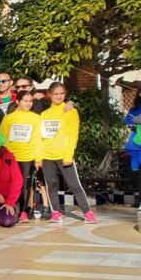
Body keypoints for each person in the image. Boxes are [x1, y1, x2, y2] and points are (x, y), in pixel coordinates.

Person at [39, 83, 96, 224]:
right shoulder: (44, 114)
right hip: (46, 155)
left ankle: (88, 213)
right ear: (50, 94)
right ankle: (56, 212)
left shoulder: (70, 111)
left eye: (62, 93)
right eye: (56, 93)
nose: (59, 96)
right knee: (51, 185)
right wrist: (38, 157)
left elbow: (73, 135)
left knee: (74, 184)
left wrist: (69, 155)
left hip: (64, 155)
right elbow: (40, 137)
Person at [0, 90, 44, 222]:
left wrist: (38, 158)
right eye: (25, 101)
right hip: (10, 157)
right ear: (18, 101)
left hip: (27, 157)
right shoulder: (8, 118)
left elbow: (38, 139)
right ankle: (8, 209)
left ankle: (23, 212)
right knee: (8, 184)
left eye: (31, 101)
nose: (28, 103)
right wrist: (3, 155)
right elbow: (2, 137)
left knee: (24, 185)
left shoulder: (36, 118)